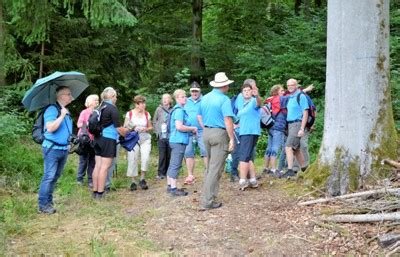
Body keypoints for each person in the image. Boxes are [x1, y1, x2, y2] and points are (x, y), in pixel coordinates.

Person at [198, 72, 235, 209]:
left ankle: (208, 196)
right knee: (215, 168)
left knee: (210, 167)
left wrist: (206, 128)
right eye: (228, 85)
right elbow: (227, 119)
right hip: (219, 134)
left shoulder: (205, 98)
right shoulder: (224, 100)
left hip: (206, 132)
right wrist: (231, 138)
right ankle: (208, 201)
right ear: (224, 85)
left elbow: (199, 116)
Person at [38, 86, 74, 214]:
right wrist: (62, 116)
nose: (71, 97)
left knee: (55, 177)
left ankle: (49, 202)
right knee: (49, 176)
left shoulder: (66, 110)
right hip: (52, 149)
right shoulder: (52, 109)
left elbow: (66, 131)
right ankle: (43, 205)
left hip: (63, 149)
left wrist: (69, 143)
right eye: (69, 94)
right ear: (61, 96)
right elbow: (51, 128)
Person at [92, 87, 128, 199]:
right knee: (105, 167)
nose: (116, 98)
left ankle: (95, 191)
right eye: (115, 96)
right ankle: (100, 193)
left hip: (97, 138)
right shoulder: (112, 108)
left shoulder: (100, 107)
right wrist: (127, 132)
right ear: (112, 97)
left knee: (97, 166)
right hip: (108, 139)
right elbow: (118, 128)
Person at [167, 89, 197, 196]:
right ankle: (173, 189)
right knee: (176, 164)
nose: (185, 98)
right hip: (178, 140)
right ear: (176, 98)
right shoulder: (179, 110)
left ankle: (170, 185)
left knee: (172, 163)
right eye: (182, 97)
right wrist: (192, 128)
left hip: (175, 140)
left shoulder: (177, 109)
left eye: (185, 96)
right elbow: (179, 126)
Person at [236, 80, 262, 190]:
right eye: (244, 91)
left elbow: (259, 103)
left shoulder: (253, 102)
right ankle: (253, 179)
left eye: (248, 90)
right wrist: (235, 125)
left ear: (252, 92)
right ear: (242, 93)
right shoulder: (242, 105)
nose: (246, 92)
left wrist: (257, 96)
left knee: (243, 156)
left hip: (250, 132)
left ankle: (242, 180)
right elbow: (242, 119)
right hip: (244, 131)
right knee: (249, 156)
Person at [124, 95, 153, 191]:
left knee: (145, 158)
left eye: (144, 103)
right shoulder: (130, 114)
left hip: (145, 138)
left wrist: (146, 128)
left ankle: (142, 178)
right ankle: (133, 181)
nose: (144, 105)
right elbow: (125, 126)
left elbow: (151, 127)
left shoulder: (147, 114)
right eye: (141, 103)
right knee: (133, 158)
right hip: (133, 139)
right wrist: (133, 128)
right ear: (136, 104)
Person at [282, 79, 309, 178]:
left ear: (296, 85)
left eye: (292, 85)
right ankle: (305, 168)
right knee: (296, 149)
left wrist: (302, 128)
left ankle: (290, 170)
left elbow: (305, 112)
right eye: (288, 85)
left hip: (297, 124)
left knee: (288, 146)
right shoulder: (290, 97)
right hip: (290, 125)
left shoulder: (300, 96)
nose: (290, 87)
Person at [183, 82, 208, 185]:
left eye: (196, 91)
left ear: (200, 91)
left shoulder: (205, 100)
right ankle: (190, 175)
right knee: (188, 153)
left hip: (202, 130)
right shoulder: (186, 101)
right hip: (188, 130)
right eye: (193, 91)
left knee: (205, 152)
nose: (194, 93)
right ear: (190, 92)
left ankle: (208, 174)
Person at [263, 85, 287, 177]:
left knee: (269, 147)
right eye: (281, 90)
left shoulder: (270, 100)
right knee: (275, 148)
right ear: (277, 91)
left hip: (271, 126)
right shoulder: (281, 100)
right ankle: (273, 169)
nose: (283, 91)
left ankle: (266, 168)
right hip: (279, 127)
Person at [76, 94, 99, 187]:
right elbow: (79, 124)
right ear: (89, 102)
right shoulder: (84, 112)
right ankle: (79, 178)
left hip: (94, 139)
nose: (97, 101)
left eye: (98, 100)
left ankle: (90, 180)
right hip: (85, 139)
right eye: (95, 100)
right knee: (83, 160)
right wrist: (89, 123)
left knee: (93, 160)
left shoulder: (98, 112)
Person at [152, 94, 173, 179]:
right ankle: (160, 173)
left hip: (170, 136)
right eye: (163, 98)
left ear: (170, 100)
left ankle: (168, 172)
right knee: (162, 155)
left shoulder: (173, 109)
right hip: (161, 136)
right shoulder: (159, 109)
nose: (165, 100)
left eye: (166, 98)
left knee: (169, 155)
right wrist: (157, 132)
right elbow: (154, 121)